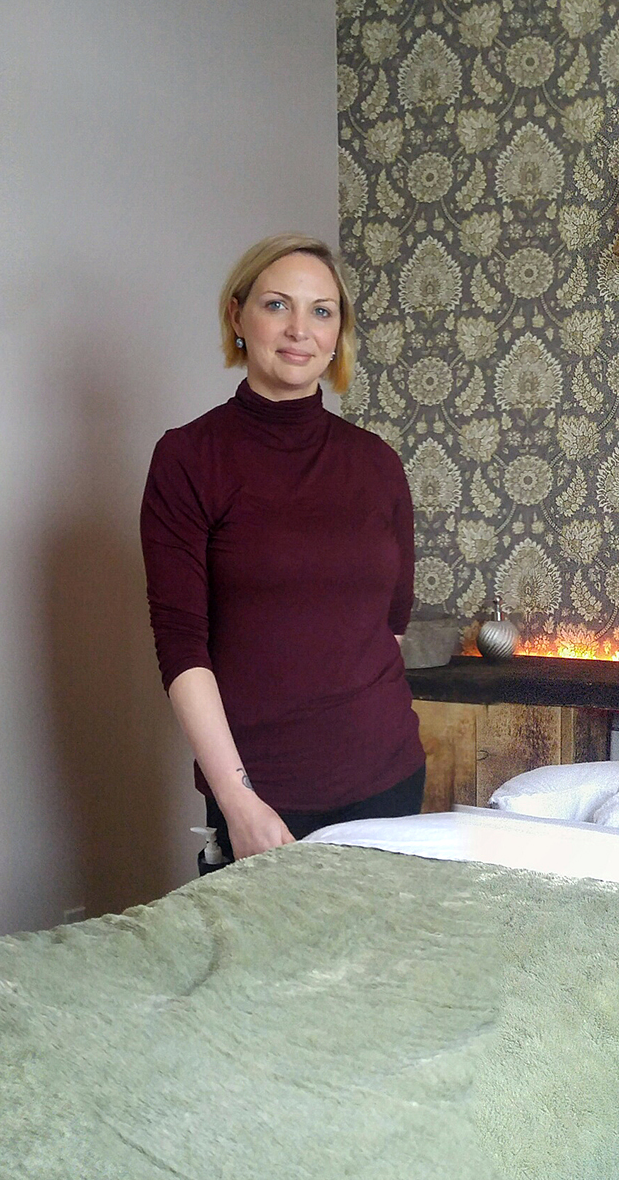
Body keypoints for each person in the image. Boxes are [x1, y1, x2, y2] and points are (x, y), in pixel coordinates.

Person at [141, 234, 425, 868]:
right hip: (264, 798)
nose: (300, 330)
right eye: (278, 305)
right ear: (238, 316)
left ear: (338, 333)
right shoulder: (189, 458)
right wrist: (238, 802)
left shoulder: (377, 464)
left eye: (322, 311)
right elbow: (182, 646)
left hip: (389, 782)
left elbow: (390, 628)